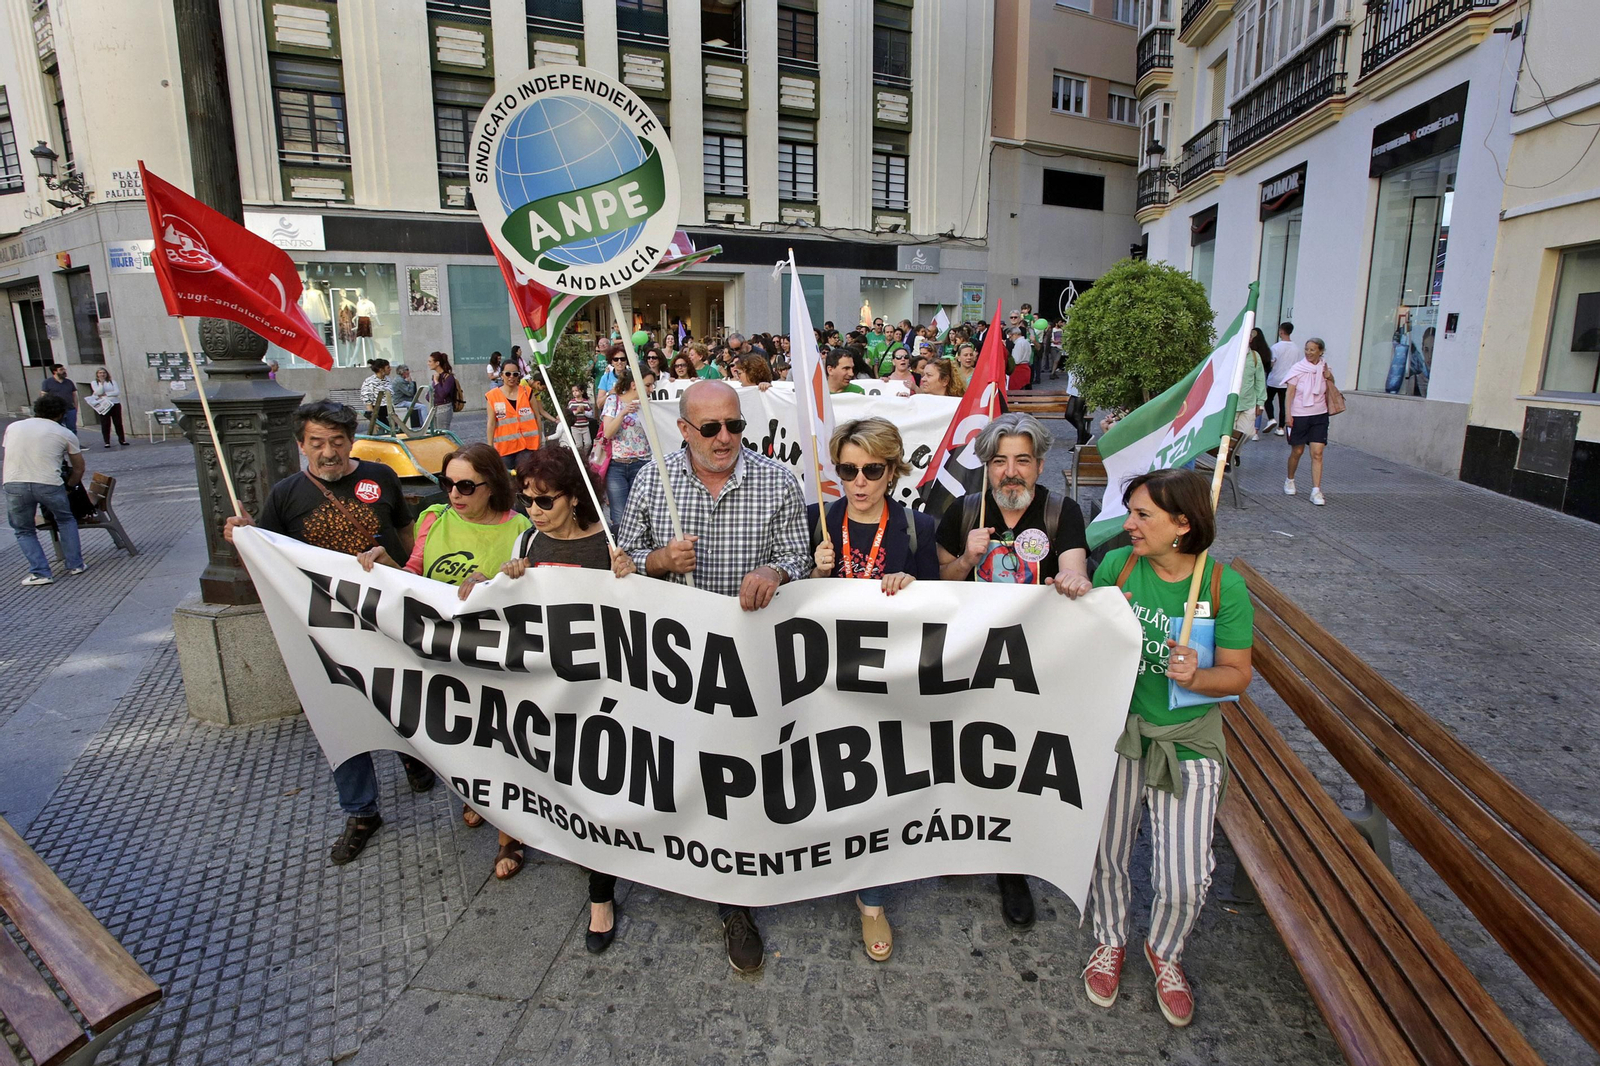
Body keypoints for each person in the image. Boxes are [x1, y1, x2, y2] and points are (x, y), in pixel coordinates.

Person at [618, 379, 812, 974]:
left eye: (734, 426)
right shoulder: (653, 479)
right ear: (684, 430)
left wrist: (776, 571)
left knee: (745, 776)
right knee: (690, 770)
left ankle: (741, 890)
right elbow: (625, 564)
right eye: (710, 429)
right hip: (678, 666)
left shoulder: (778, 479)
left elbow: (800, 556)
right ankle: (701, 868)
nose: (724, 438)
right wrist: (658, 562)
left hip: (753, 663)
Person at [223, 401, 436, 864]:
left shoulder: (380, 477)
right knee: (336, 712)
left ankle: (412, 756)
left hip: (385, 619)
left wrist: (411, 581)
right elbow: (268, 557)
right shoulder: (285, 495)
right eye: (317, 443)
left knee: (400, 696)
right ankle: (361, 811)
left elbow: (404, 534)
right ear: (301, 446)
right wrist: (245, 535)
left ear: (350, 441)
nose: (328, 452)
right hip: (322, 626)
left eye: (337, 442)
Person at [1083, 468, 1253, 1028]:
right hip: (1122, 732)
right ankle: (1110, 940)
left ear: (1182, 524)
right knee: (1107, 851)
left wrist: (1198, 675)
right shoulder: (1119, 567)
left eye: (1142, 515)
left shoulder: (1221, 587)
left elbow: (1237, 677)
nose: (1128, 524)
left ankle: (1166, 951)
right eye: (1130, 512)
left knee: (1185, 874)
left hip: (1188, 741)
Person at [935, 411, 1092, 928]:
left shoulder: (1060, 512)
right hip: (970, 662)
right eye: (999, 461)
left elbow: (1073, 568)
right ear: (986, 466)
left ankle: (1012, 864)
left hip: (1031, 666)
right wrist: (964, 561)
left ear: (1040, 465)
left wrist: (1072, 582)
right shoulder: (963, 511)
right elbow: (938, 582)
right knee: (963, 750)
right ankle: (961, 837)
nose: (1011, 472)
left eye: (1022, 460)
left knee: (1016, 759)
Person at [354, 442, 532, 879]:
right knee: (461, 735)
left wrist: (493, 583)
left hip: (496, 655)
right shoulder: (432, 518)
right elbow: (414, 573)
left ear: (492, 486)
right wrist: (386, 564)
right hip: (440, 654)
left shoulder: (522, 527)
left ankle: (510, 835)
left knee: (502, 742)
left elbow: (531, 590)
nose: (454, 493)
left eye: (466, 485)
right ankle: (475, 794)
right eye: (447, 482)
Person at [807, 418, 939, 963]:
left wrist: (912, 588)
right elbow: (799, 607)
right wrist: (815, 573)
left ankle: (872, 899)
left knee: (878, 785)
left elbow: (940, 605)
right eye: (847, 470)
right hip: (829, 679)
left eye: (871, 470)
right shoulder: (824, 517)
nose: (858, 482)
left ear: (892, 470)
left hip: (891, 685)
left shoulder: (916, 527)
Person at [499, 447, 635, 951]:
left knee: (601, 785)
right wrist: (503, 579)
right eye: (526, 499)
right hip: (550, 690)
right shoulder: (527, 541)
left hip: (605, 690)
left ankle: (601, 894)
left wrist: (632, 575)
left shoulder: (610, 543)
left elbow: (641, 611)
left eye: (544, 500)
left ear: (574, 498)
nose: (533, 509)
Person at [4, 394, 87, 585]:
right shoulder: (64, 433)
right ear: (60, 414)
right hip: (49, 482)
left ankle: (41, 573)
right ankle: (75, 564)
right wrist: (70, 486)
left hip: (15, 482)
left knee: (24, 530)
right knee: (65, 520)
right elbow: (79, 468)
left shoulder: (13, 427)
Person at [1283, 337, 1334, 506]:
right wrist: (1288, 415)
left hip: (1320, 414)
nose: (1309, 353)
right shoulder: (1298, 368)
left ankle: (1316, 490)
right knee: (1297, 452)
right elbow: (1289, 393)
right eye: (1307, 349)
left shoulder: (1324, 368)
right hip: (1300, 414)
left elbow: (1331, 387)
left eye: (1312, 350)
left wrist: (1329, 376)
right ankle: (1290, 479)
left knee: (1317, 452)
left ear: (1321, 351)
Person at [601, 366, 651, 529]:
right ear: (634, 384)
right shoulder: (613, 401)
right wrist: (623, 413)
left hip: (642, 464)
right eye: (648, 385)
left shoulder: (649, 404)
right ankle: (621, 550)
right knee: (619, 515)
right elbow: (607, 433)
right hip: (617, 465)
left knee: (643, 512)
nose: (651, 389)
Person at [486, 362, 541, 470]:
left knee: (526, 478)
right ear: (501, 375)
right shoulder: (493, 396)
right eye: (508, 374)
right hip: (505, 448)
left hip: (528, 446)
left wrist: (539, 440)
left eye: (515, 374)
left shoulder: (527, 392)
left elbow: (537, 417)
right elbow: (491, 423)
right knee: (508, 480)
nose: (511, 377)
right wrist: (490, 446)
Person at [1265, 322, 1297, 434]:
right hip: (1288, 380)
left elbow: (1272, 362)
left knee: (1268, 399)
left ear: (1281, 331)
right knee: (1284, 403)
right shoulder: (1295, 348)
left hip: (1274, 378)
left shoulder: (1276, 347)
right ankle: (1281, 428)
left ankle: (1271, 418)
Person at [1237, 335, 1267, 442]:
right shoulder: (1231, 354)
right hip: (1231, 404)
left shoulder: (1255, 356)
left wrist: (1261, 402)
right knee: (1230, 434)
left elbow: (1260, 380)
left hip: (1248, 403)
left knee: (1248, 434)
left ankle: (1235, 455)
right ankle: (1233, 457)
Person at [88, 368, 129, 448]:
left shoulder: (112, 382)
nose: (102, 374)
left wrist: (106, 394)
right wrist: (102, 384)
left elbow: (116, 392)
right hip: (104, 405)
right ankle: (107, 442)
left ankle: (122, 440)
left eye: (104, 373)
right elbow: (98, 392)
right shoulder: (94, 383)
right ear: (97, 374)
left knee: (118, 423)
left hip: (115, 404)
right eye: (100, 373)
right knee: (105, 423)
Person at [39, 365, 78, 434]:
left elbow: (74, 395)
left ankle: (73, 443)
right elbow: (43, 396)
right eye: (61, 369)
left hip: (70, 409)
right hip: (56, 410)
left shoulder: (69, 382)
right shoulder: (47, 382)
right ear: (55, 371)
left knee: (72, 429)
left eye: (64, 369)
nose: (64, 371)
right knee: (58, 429)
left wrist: (76, 407)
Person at [428, 351, 460, 431]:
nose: (428, 363)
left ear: (437, 363)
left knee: (443, 434)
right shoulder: (437, 376)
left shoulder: (448, 377)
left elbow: (443, 394)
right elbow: (429, 396)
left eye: (430, 361)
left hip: (444, 408)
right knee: (435, 435)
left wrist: (436, 382)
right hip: (435, 407)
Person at [359, 358, 393, 426]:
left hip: (388, 409)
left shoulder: (388, 380)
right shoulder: (369, 382)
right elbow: (367, 400)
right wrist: (373, 419)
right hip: (377, 411)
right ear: (381, 369)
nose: (390, 369)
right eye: (388, 367)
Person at [390, 364, 421, 429]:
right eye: (407, 370)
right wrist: (411, 382)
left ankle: (420, 423)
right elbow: (409, 393)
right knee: (423, 407)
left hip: (403, 400)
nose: (409, 372)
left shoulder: (400, 380)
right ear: (403, 372)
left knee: (419, 405)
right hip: (400, 402)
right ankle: (425, 425)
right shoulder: (400, 381)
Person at [567, 385, 595, 455]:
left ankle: (584, 455)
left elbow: (591, 414)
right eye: (573, 391)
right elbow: (569, 415)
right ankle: (579, 457)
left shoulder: (586, 402)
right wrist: (577, 411)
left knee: (588, 443)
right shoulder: (571, 403)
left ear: (581, 392)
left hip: (585, 427)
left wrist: (583, 412)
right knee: (579, 445)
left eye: (576, 391)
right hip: (575, 427)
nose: (574, 393)